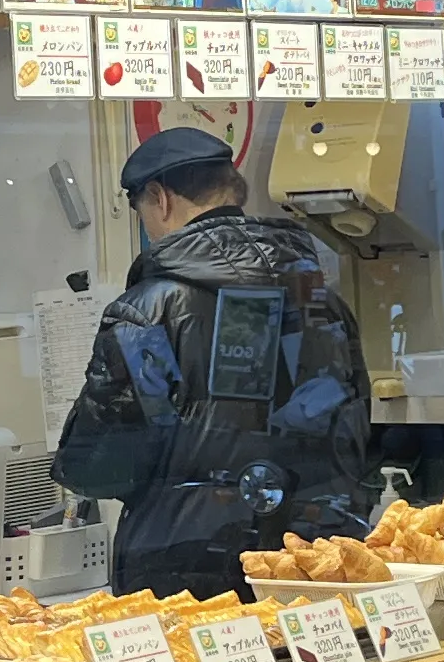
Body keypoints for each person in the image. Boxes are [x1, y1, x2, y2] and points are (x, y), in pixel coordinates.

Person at [54, 125, 375, 600]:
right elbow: (352, 437)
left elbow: (97, 467)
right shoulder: (323, 302)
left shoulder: (148, 312)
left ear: (159, 199)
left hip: (185, 573)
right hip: (313, 563)